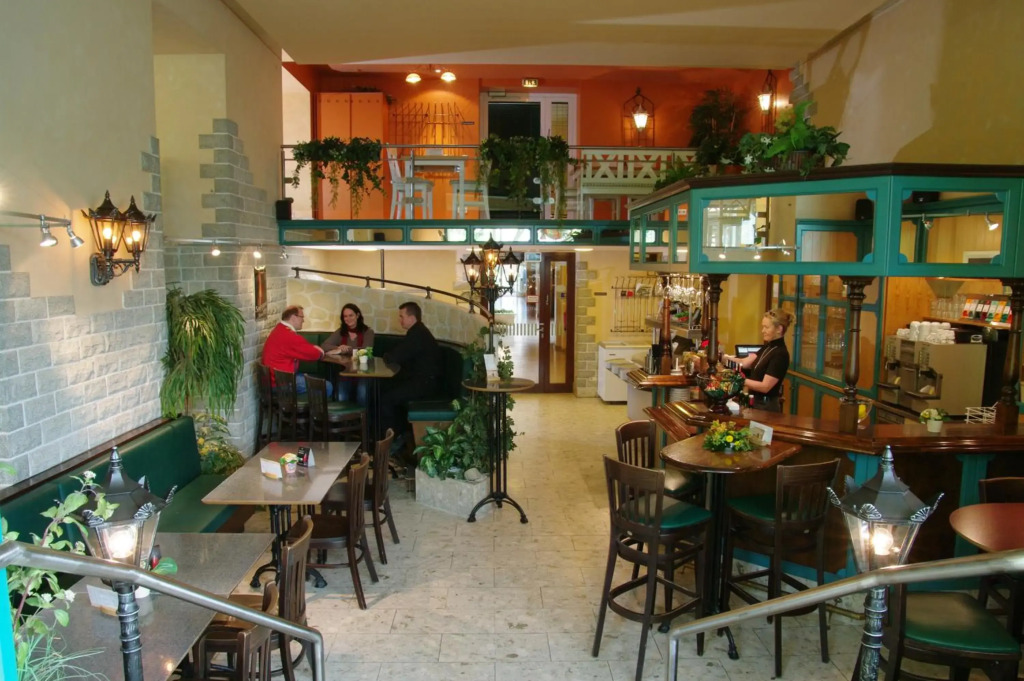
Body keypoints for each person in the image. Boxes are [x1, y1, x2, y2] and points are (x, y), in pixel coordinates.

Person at [379, 301, 441, 454]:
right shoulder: (417, 332)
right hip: (422, 381)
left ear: (412, 318)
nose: (399, 320)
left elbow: (395, 356)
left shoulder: (417, 335)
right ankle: (399, 434)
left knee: (386, 398)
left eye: (402, 316)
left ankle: (393, 440)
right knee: (383, 389)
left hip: (425, 385)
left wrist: (386, 355)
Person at [721, 308, 795, 413]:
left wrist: (738, 379)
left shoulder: (780, 354)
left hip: (766, 407)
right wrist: (722, 358)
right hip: (756, 403)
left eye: (766, 327)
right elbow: (744, 363)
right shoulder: (768, 346)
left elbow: (765, 386)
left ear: (779, 329)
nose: (762, 331)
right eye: (762, 327)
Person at [262, 305, 343, 395]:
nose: (303, 320)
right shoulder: (289, 335)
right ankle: (312, 405)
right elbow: (315, 354)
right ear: (293, 317)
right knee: (327, 386)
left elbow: (305, 347)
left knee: (317, 378)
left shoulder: (280, 329)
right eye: (302, 317)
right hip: (283, 382)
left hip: (276, 379)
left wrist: (316, 349)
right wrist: (321, 351)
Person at [321, 303, 375, 405]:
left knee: (362, 393)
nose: (348, 319)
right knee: (341, 396)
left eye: (351, 315)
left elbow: (366, 351)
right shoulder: (341, 332)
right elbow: (324, 345)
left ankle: (362, 415)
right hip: (345, 372)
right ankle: (345, 415)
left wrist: (346, 350)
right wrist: (338, 348)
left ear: (357, 315)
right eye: (345, 316)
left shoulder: (368, 332)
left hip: (363, 372)